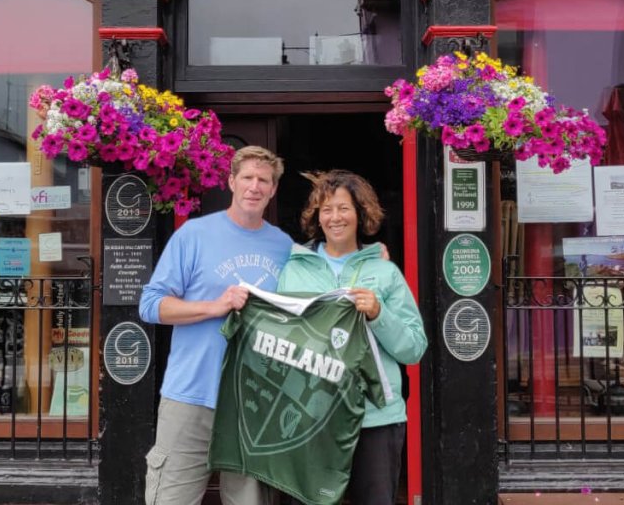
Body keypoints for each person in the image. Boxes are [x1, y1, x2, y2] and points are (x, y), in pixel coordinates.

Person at [139, 145, 294, 505]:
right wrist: (216, 306)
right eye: (248, 178)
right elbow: (150, 305)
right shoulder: (193, 235)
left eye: (264, 180)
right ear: (230, 182)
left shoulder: (284, 247)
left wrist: (369, 255)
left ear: (273, 190)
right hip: (190, 396)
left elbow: (317, 291)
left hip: (254, 401)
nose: (255, 187)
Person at [275, 170, 427, 505]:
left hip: (374, 416)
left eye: (343, 208)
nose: (334, 217)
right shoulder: (294, 269)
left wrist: (378, 314)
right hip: (310, 416)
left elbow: (414, 349)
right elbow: (279, 339)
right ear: (317, 216)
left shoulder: (385, 272)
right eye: (326, 209)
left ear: (361, 213)